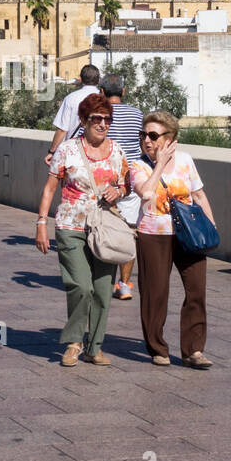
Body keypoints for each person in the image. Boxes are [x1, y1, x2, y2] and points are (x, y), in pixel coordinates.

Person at [35, 93, 129, 367]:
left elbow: (126, 185)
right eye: (95, 119)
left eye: (106, 119)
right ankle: (74, 342)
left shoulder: (117, 151)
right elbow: (50, 188)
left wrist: (118, 191)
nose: (102, 124)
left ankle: (94, 346)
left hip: (104, 228)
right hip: (70, 225)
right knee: (80, 285)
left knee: (102, 290)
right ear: (84, 121)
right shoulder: (67, 150)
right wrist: (42, 223)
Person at [131, 110, 216, 370]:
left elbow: (198, 196)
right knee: (155, 293)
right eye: (143, 135)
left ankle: (194, 350)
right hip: (153, 234)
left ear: (170, 138)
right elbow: (146, 193)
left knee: (196, 291)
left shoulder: (186, 161)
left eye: (153, 135)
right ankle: (157, 347)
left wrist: (211, 227)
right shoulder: (137, 165)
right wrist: (158, 164)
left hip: (188, 234)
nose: (147, 140)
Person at [75, 74, 145, 300]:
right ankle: (124, 284)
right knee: (128, 231)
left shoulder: (99, 117)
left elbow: (79, 142)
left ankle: (101, 280)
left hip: (103, 183)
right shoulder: (137, 114)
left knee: (99, 228)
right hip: (131, 180)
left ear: (101, 93)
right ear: (123, 91)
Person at [45, 64, 101, 166]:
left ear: (81, 79)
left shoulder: (71, 98)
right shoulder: (103, 99)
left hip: (74, 152)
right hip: (99, 152)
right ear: (98, 80)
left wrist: (52, 152)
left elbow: (62, 129)